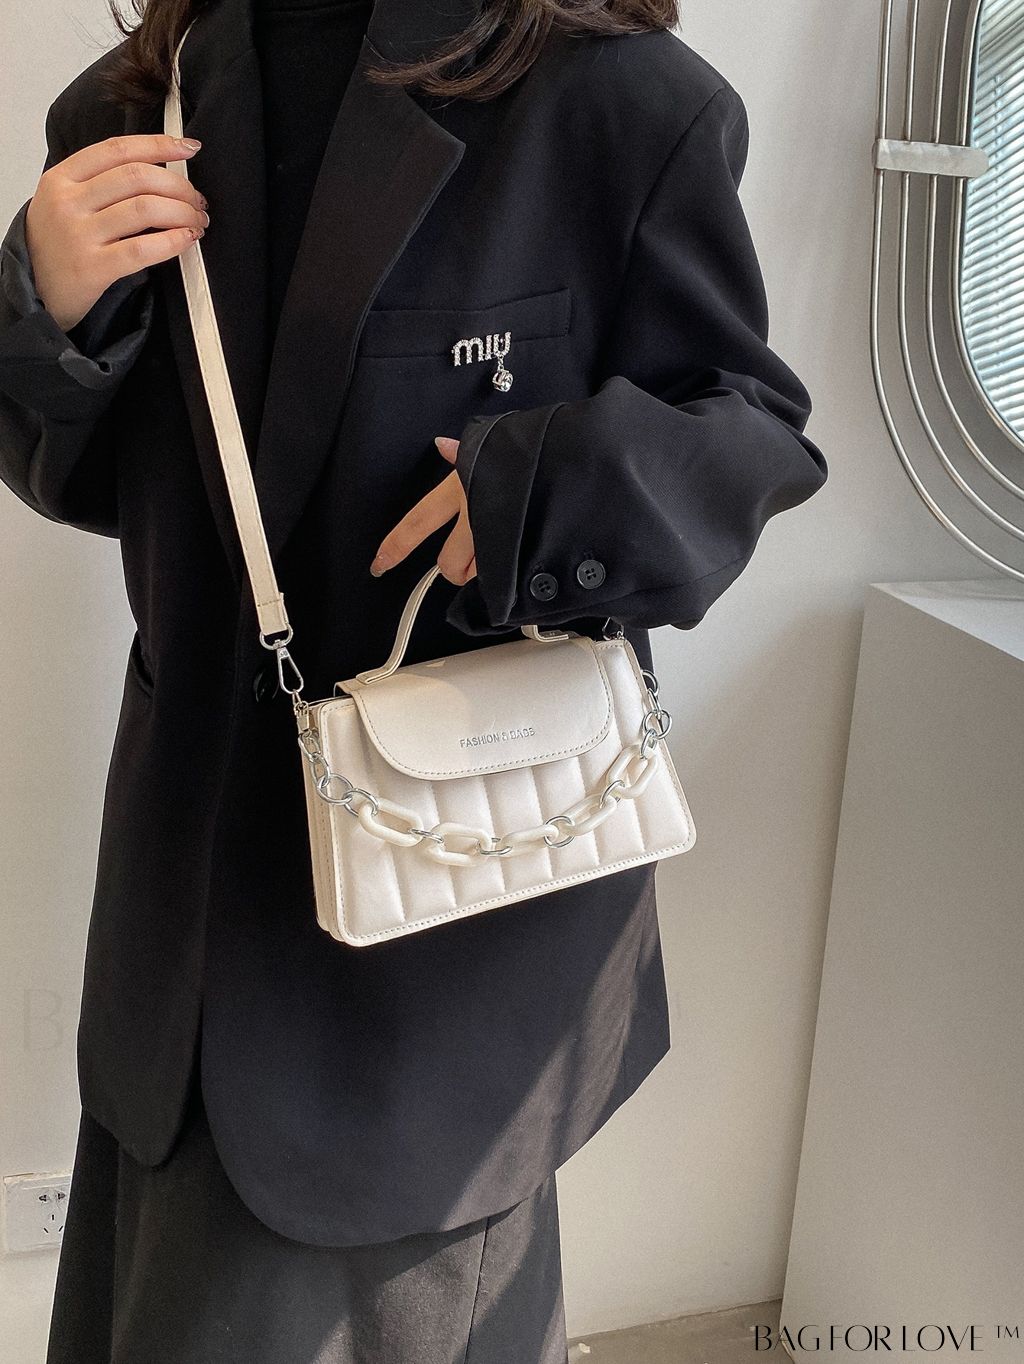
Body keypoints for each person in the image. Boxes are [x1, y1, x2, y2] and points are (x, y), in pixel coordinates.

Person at [0, 0, 828, 1358]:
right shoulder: (132, 107)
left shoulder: (621, 103)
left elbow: (750, 432)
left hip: (443, 936)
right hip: (179, 903)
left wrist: (545, 489)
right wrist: (47, 308)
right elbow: (102, 483)